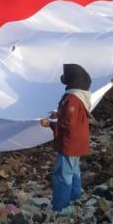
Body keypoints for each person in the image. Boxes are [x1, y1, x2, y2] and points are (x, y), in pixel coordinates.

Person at [40, 63, 91, 212]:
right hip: (78, 141)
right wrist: (59, 114)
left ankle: (60, 207)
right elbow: (73, 116)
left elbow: (68, 125)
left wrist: (49, 124)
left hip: (70, 142)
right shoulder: (81, 95)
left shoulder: (72, 98)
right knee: (74, 172)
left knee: (63, 175)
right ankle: (75, 200)